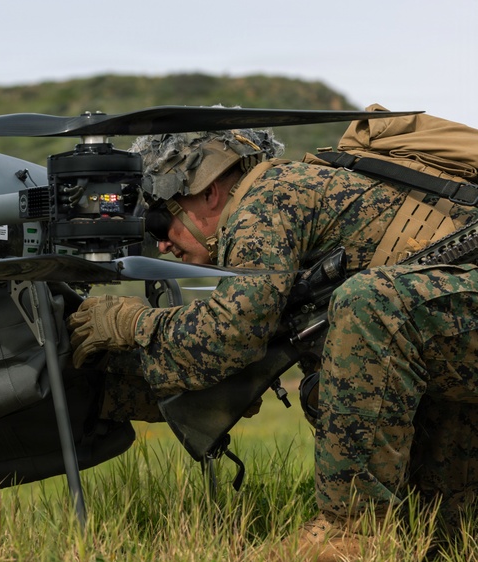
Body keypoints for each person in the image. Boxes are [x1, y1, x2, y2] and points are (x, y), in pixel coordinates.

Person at [66, 126, 478, 559]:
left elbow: (227, 337)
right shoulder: (287, 213)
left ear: (208, 191)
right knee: (445, 532)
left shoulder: (266, 198)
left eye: (159, 219)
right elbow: (247, 348)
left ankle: (351, 534)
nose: (163, 243)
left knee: (372, 307)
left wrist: (131, 323)